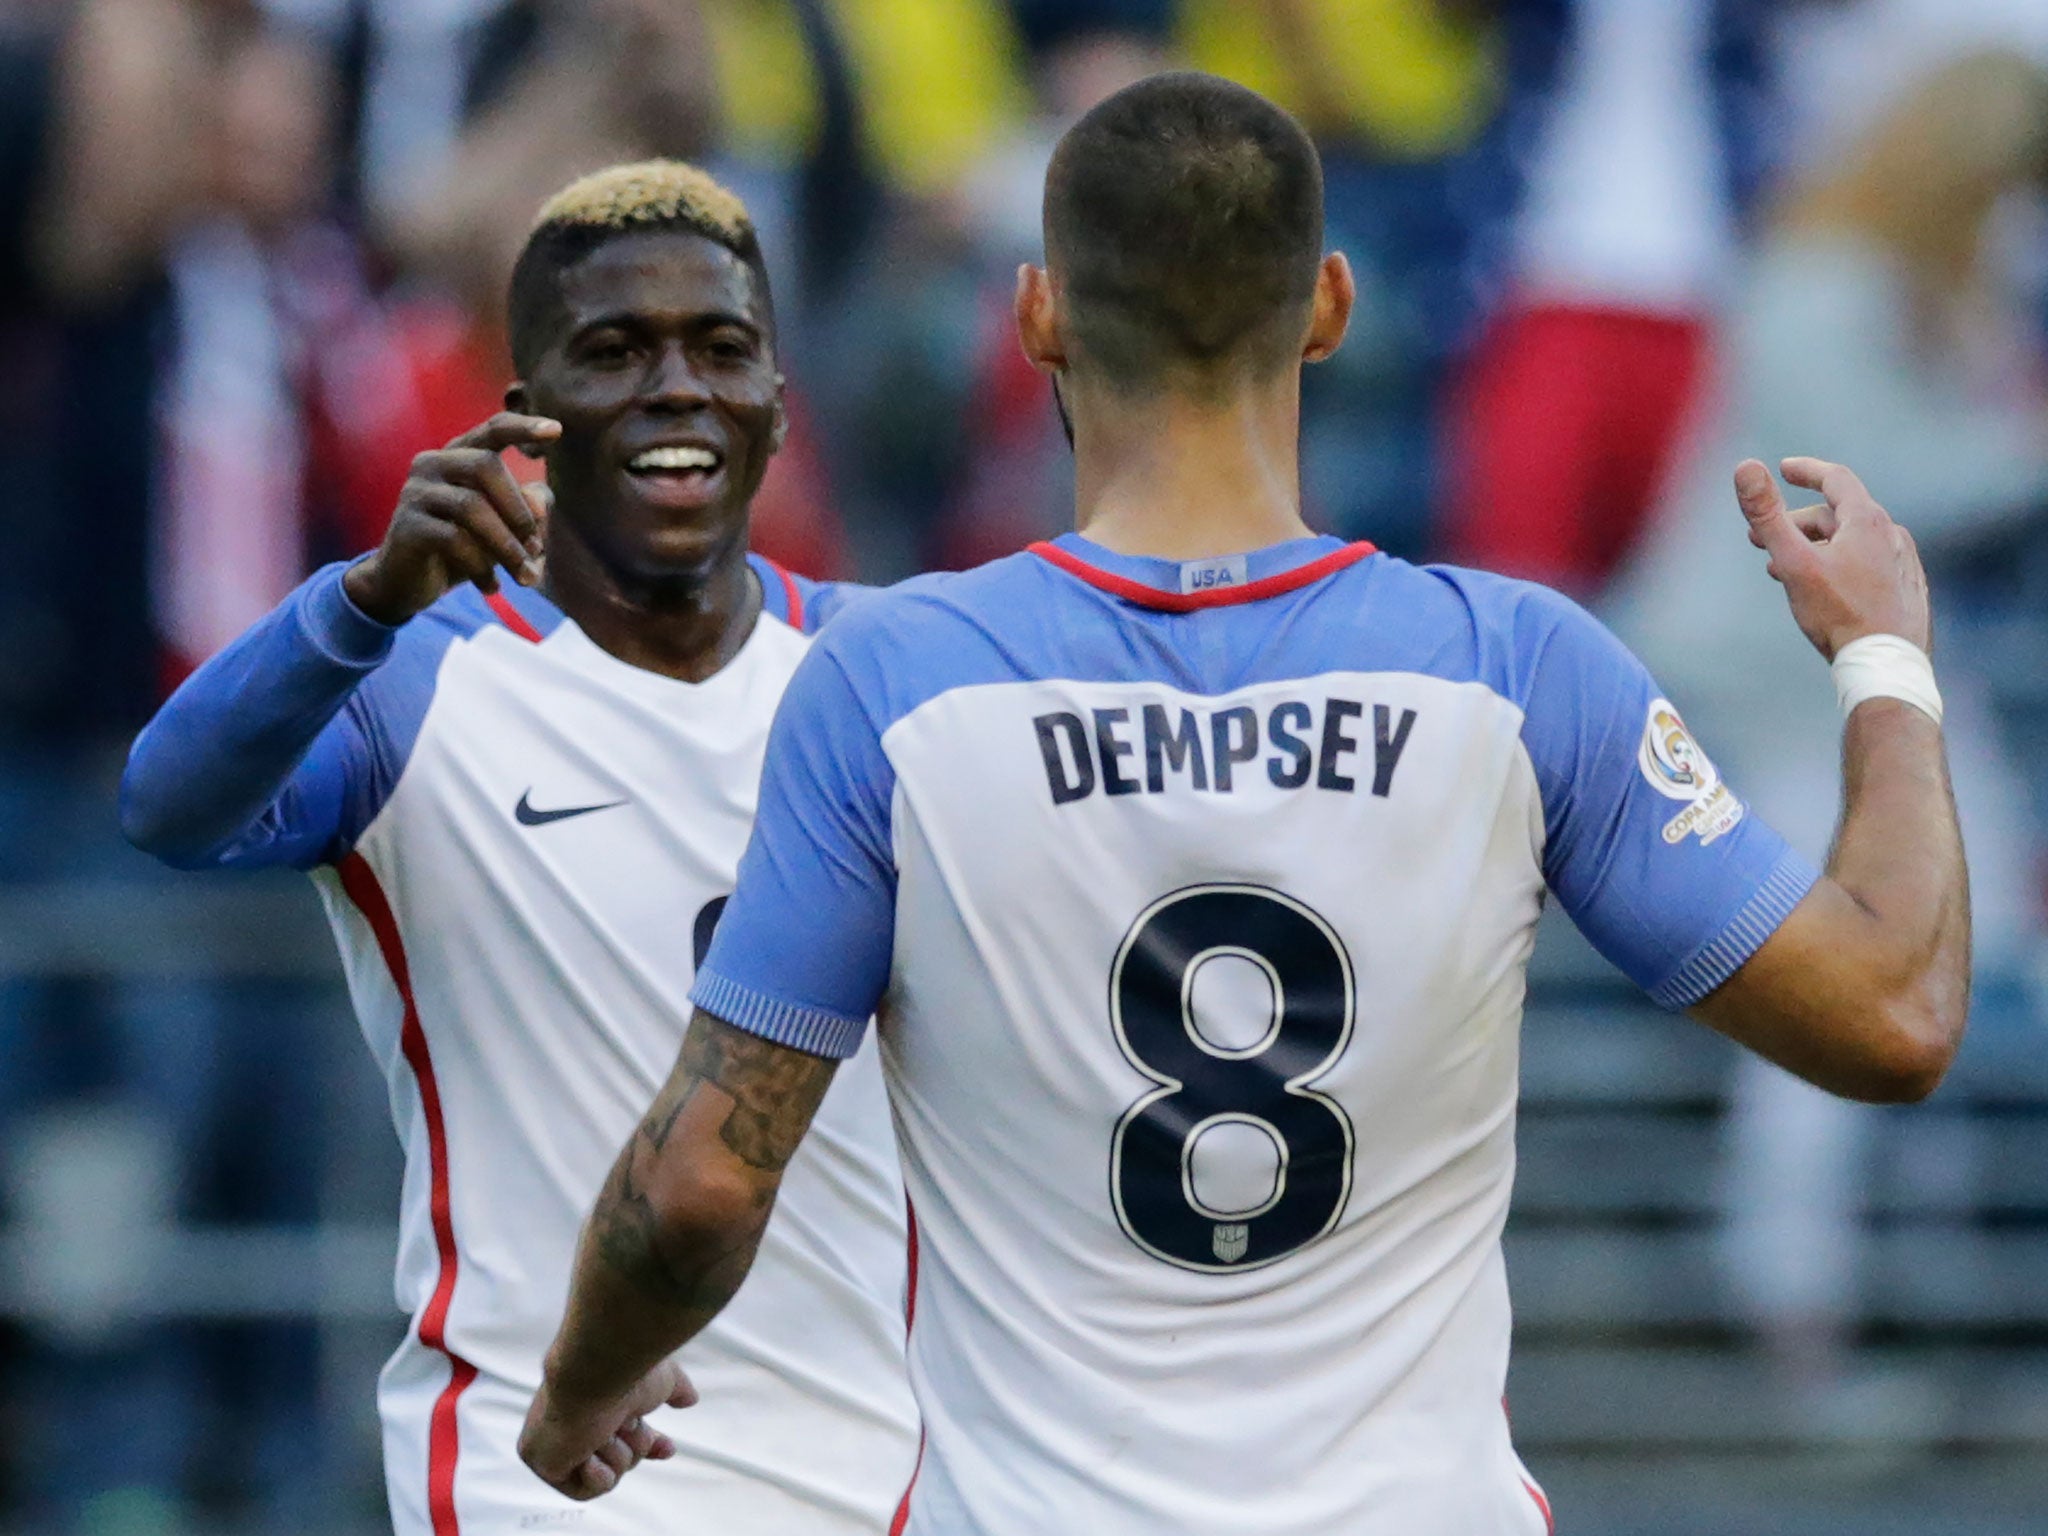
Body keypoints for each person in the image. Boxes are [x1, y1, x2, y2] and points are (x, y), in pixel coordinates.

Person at [519, 77, 1970, 1532]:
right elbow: (1890, 1014)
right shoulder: (1519, 670)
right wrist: (1885, 657)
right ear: (1331, 306)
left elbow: (704, 1187)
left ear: (1036, 317)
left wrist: (583, 1385)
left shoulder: (896, 684)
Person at [121, 161, 918, 1535]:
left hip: (886, 1467)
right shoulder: (408, 678)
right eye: (614, 351)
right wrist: (359, 600)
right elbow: (170, 807)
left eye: (720, 349)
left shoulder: (889, 668)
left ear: (779, 408)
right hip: (538, 1472)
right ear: (527, 414)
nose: (677, 386)